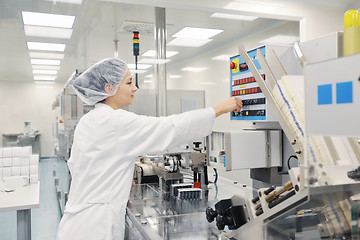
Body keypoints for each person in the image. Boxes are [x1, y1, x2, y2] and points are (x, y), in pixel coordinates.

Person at [56, 58, 243, 240]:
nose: (135, 88)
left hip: (76, 221)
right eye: (129, 82)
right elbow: (169, 127)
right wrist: (218, 109)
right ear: (109, 88)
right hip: (96, 226)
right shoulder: (114, 121)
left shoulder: (89, 120)